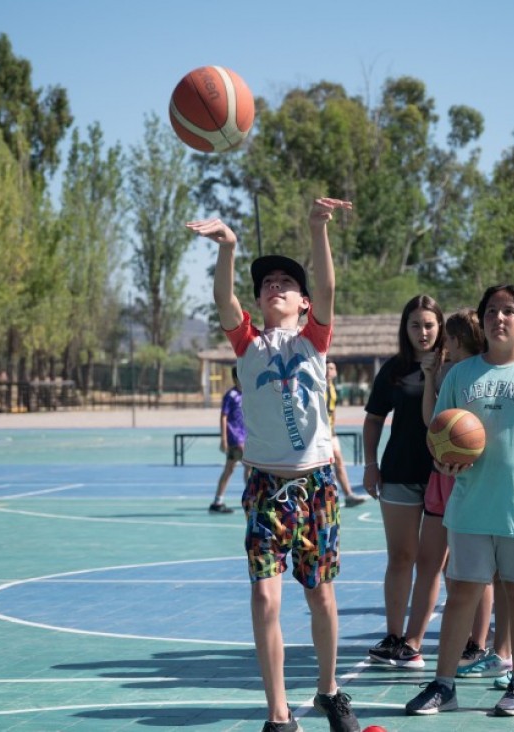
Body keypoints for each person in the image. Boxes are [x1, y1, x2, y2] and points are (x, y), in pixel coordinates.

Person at [186, 196, 360, 732]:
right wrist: (229, 250)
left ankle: (330, 691)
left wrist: (317, 227)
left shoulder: (315, 340)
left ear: (305, 303)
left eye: (286, 282)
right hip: (265, 487)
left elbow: (329, 287)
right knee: (265, 595)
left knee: (321, 597)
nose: (274, 286)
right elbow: (223, 298)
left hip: (317, 486)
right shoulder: (248, 343)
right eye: (267, 283)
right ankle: (279, 715)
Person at [404, 284, 514, 718]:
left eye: (509, 311)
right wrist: (444, 464)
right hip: (471, 505)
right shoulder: (461, 376)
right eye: (493, 311)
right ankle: (444, 684)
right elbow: (440, 435)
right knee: (462, 593)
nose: (500, 317)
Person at [362, 294, 445, 670]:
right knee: (401, 557)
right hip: (398, 473)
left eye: (429, 324)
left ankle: (415, 641)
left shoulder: (455, 366)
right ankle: (394, 636)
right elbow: (374, 419)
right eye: (415, 325)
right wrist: (370, 465)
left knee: (432, 562)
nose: (422, 331)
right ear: (405, 328)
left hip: (443, 476)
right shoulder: (394, 369)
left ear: (440, 327)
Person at [416, 309, 494, 670]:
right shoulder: (460, 370)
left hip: (461, 473)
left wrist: (432, 377)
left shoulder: (460, 372)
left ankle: (477, 641)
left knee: (474, 566)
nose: (442, 343)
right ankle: (472, 640)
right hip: (445, 470)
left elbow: (433, 419)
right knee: (457, 567)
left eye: (447, 337)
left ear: (456, 340)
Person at [326, 361, 367, 508]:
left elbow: (332, 412)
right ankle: (333, 495)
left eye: (332, 368)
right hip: (323, 434)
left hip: (331, 432)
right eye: (328, 368)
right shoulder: (321, 387)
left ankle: (348, 494)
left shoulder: (332, 388)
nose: (329, 370)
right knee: (330, 464)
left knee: (338, 461)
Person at [210, 367, 248, 514]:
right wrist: (224, 439)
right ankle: (219, 501)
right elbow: (224, 416)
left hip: (247, 437)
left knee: (235, 469)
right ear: (236, 378)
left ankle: (219, 500)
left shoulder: (247, 394)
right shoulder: (231, 395)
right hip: (236, 438)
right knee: (238, 468)